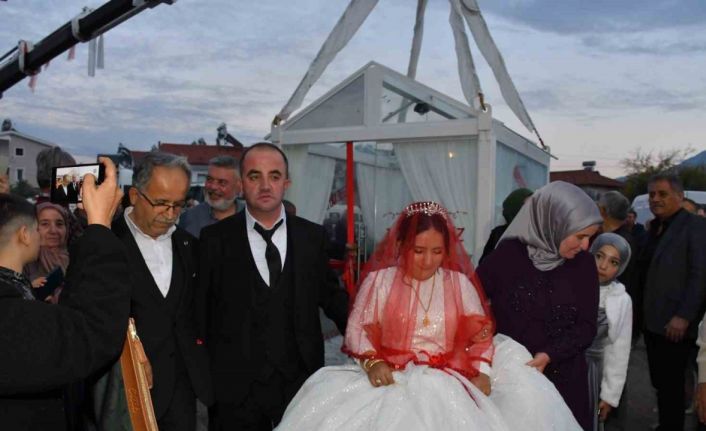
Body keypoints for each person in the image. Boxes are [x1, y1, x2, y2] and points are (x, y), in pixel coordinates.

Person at [276, 201, 581, 431]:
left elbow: (480, 334)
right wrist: (372, 362)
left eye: (437, 251)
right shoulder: (380, 282)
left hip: (447, 380)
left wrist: (481, 370)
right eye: (418, 250)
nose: (428, 260)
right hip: (390, 378)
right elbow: (358, 330)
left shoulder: (458, 284)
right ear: (400, 245)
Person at [199, 142, 349, 430]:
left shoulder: (312, 237)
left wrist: (370, 343)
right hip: (233, 389)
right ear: (242, 184)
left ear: (286, 183)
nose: (265, 185)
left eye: (275, 176)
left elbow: (332, 299)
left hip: (300, 383)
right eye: (255, 176)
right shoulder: (213, 240)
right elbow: (200, 312)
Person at [0, 158, 131, 429]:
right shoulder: (13, 314)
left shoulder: (18, 294)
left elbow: (66, 321)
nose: (47, 233)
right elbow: (89, 331)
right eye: (39, 226)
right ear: (25, 234)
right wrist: (99, 225)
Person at [95, 152, 213, 431]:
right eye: (161, 203)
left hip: (182, 394)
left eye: (178, 205)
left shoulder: (190, 247)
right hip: (124, 394)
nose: (170, 214)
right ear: (135, 196)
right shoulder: (102, 243)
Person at [476, 181, 603, 430]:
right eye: (580, 236)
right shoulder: (507, 256)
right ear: (554, 223)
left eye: (590, 237)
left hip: (566, 380)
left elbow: (587, 326)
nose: (586, 246)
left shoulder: (584, 265)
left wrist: (550, 354)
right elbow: (470, 301)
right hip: (514, 382)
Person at [637, 174, 706, 431]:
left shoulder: (695, 226)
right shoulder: (654, 228)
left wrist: (684, 316)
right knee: (661, 384)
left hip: (676, 325)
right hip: (652, 323)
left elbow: (700, 274)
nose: (655, 199)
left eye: (662, 194)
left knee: (673, 386)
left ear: (679, 196)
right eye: (652, 194)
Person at [587, 233, 633, 430]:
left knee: (590, 416)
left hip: (593, 374)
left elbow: (618, 351)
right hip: (561, 365)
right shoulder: (572, 285)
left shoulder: (621, 300)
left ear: (621, 268)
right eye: (599, 256)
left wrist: (609, 395)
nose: (603, 266)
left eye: (613, 262)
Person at [179, 155, 243, 238]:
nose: (213, 187)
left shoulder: (252, 217)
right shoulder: (189, 217)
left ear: (239, 187)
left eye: (222, 182)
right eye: (209, 179)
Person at [24, 203, 70, 301]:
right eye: (45, 224)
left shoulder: (78, 258)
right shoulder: (24, 263)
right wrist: (30, 291)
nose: (53, 231)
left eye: (59, 224)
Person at [479, 188, 533, 264]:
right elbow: (485, 265)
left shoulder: (539, 234)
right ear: (516, 208)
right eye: (528, 206)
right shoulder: (499, 234)